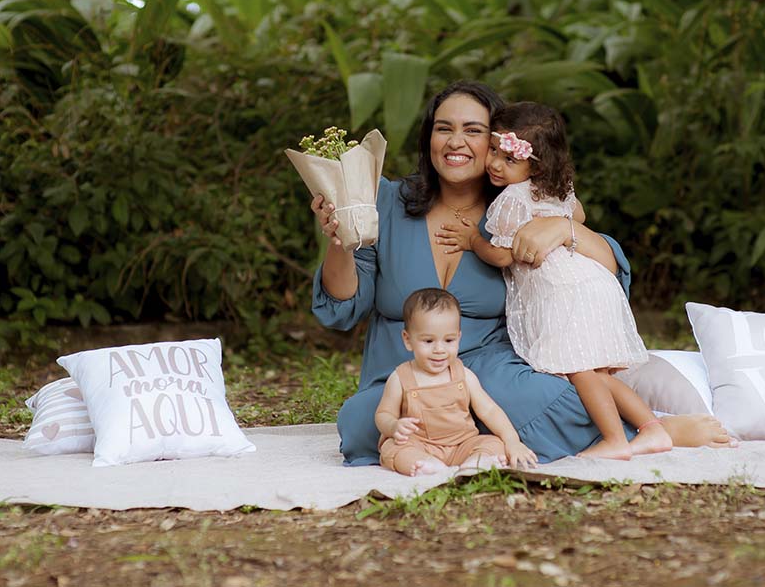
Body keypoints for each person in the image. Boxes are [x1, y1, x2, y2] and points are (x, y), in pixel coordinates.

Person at [311, 80, 732, 466]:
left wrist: (565, 229)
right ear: (429, 138)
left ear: (499, 143)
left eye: (474, 131)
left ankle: (643, 431)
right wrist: (338, 241)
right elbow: (343, 307)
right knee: (360, 423)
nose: (457, 142)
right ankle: (485, 436)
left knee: (560, 399)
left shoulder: (519, 207)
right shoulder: (385, 199)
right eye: (444, 128)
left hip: (491, 367)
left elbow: (608, 270)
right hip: (404, 370)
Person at [439, 101, 671, 460]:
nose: (496, 164)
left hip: (562, 290)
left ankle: (614, 440)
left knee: (579, 371)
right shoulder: (556, 187)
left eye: (510, 159)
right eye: (496, 153)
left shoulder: (511, 200)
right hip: (591, 280)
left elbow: (504, 255)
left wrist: (472, 241)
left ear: (536, 164)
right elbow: (578, 214)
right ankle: (653, 429)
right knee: (594, 373)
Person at [376, 287, 538, 476]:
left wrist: (512, 441)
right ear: (408, 340)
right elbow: (383, 414)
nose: (439, 349)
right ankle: (424, 464)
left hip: (462, 444)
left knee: (493, 443)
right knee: (391, 448)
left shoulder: (464, 376)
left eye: (449, 340)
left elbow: (490, 411)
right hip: (420, 444)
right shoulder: (400, 378)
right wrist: (393, 426)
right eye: (428, 341)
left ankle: (476, 461)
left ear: (459, 338)